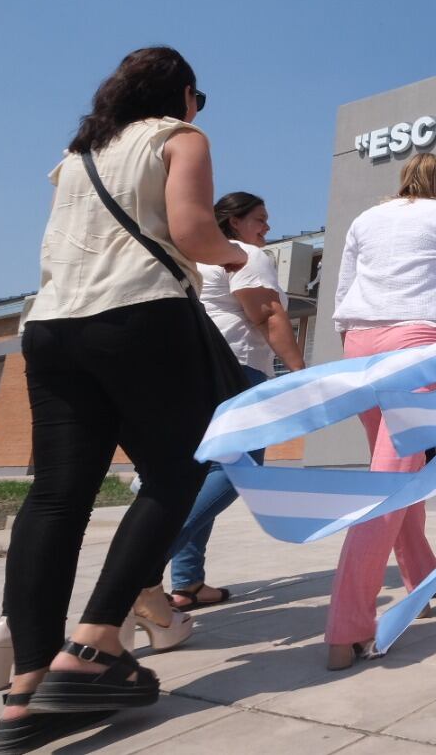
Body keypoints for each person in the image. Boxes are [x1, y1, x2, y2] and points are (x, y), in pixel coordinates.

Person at [0, 47, 248, 755]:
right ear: (184, 94)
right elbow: (191, 229)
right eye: (200, 97)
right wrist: (236, 256)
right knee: (175, 472)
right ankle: (96, 643)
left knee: (56, 498)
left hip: (49, 327)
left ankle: (26, 692)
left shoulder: (74, 156)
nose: (201, 110)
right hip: (138, 316)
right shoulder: (180, 137)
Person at [324, 152, 436, 670]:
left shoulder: (366, 219)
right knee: (392, 475)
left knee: (398, 466)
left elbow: (345, 286)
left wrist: (351, 342)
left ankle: (423, 575)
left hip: (359, 343)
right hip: (417, 342)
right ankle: (346, 625)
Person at [152, 192, 307, 612]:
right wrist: (300, 373)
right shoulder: (247, 256)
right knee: (242, 470)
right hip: (236, 370)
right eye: (260, 218)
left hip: (193, 371)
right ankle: (143, 569)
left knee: (205, 473)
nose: (267, 227)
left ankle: (187, 584)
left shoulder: (197, 260)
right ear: (234, 222)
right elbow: (268, 317)